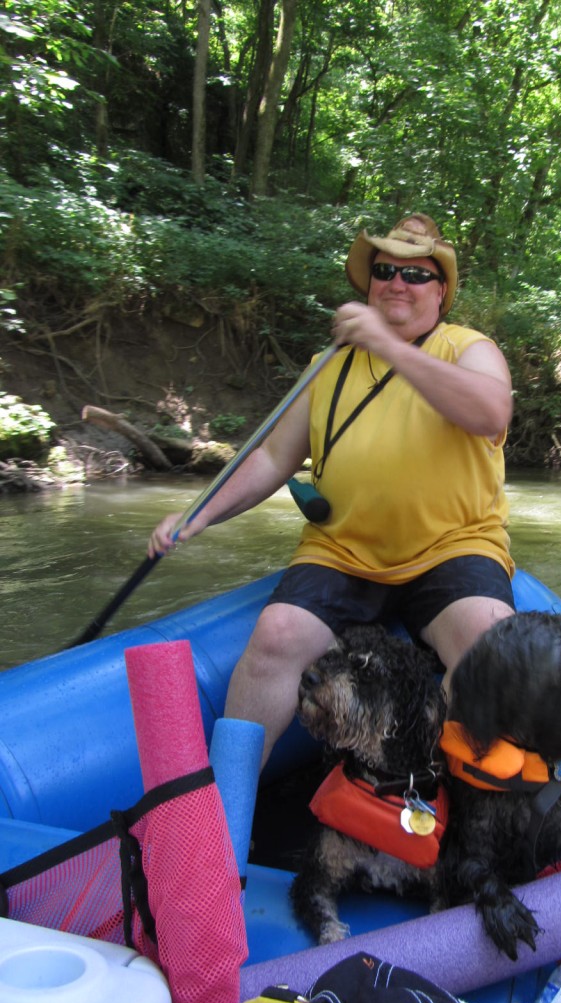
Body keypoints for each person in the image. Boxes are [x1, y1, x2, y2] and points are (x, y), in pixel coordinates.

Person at [149, 214, 515, 763]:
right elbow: (273, 457)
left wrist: (389, 347)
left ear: (440, 292)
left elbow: (489, 411)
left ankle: (435, 793)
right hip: (342, 549)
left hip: (453, 546)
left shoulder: (469, 348)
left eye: (416, 275)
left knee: (488, 643)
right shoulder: (327, 367)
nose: (397, 282)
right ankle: (223, 813)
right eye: (386, 270)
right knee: (274, 636)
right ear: (370, 285)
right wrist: (198, 513)